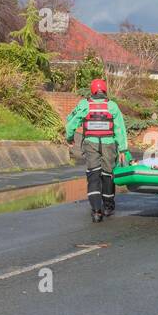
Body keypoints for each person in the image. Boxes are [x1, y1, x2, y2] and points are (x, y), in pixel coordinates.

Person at [65, 78, 130, 222]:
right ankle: (108, 207)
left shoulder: (84, 105)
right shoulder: (112, 106)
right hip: (109, 145)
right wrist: (123, 149)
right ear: (105, 90)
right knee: (108, 175)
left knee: (93, 175)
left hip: (91, 144)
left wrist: (69, 138)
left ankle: (96, 211)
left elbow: (70, 124)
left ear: (92, 90)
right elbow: (120, 129)